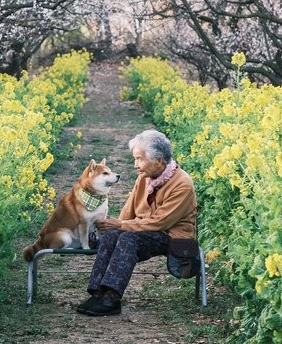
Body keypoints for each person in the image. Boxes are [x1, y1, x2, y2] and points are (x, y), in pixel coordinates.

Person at [76, 129, 196, 316]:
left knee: (127, 238)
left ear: (158, 160)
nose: (135, 165)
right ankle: (98, 293)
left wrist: (120, 225)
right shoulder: (144, 178)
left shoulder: (183, 184)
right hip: (142, 231)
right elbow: (127, 212)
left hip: (171, 236)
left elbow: (160, 223)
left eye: (139, 159)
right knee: (113, 236)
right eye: (135, 159)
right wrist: (112, 227)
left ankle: (112, 298)